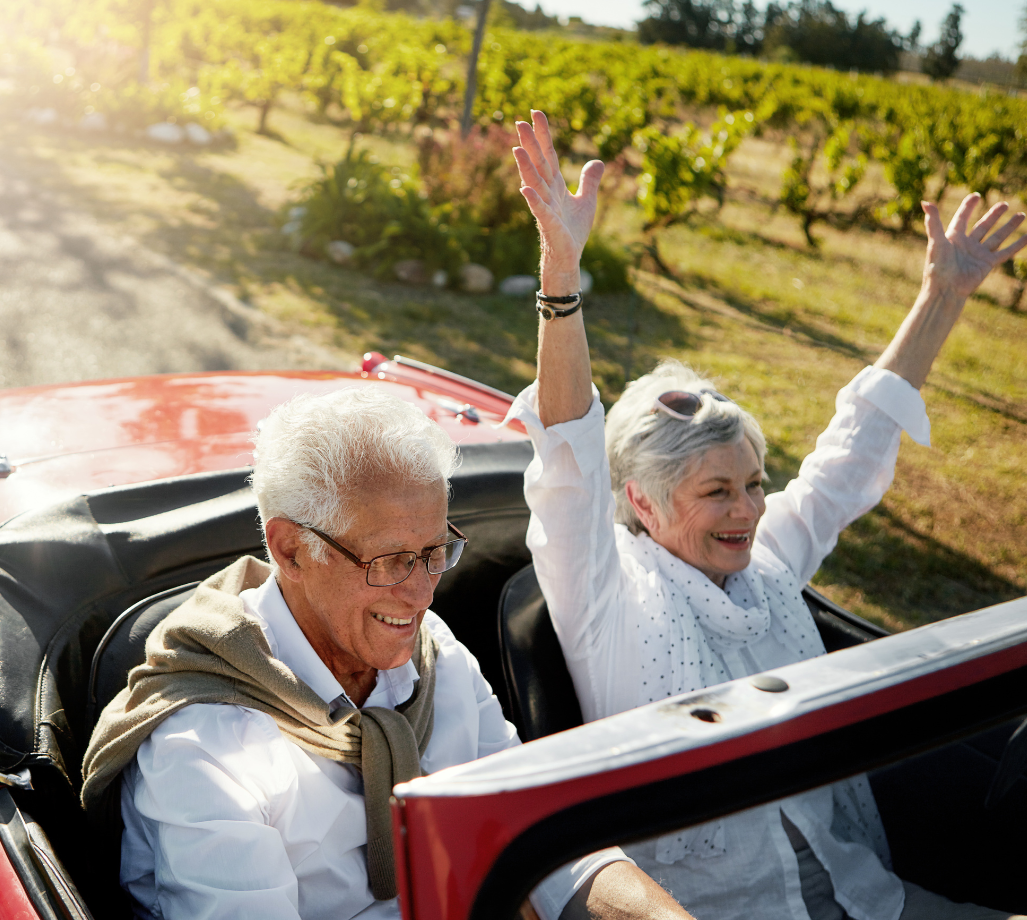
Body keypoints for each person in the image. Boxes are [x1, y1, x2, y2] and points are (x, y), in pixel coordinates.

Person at [506, 108, 1027, 920]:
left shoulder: (766, 560)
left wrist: (943, 294)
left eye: (754, 484)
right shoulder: (603, 593)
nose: (748, 510)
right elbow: (569, 451)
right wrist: (561, 268)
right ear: (639, 500)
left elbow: (852, 450)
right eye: (716, 492)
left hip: (866, 894)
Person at [80, 387, 695, 920]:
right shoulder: (204, 748)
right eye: (392, 560)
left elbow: (539, 832)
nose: (423, 590)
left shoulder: (436, 657)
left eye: (434, 552)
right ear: (291, 550)